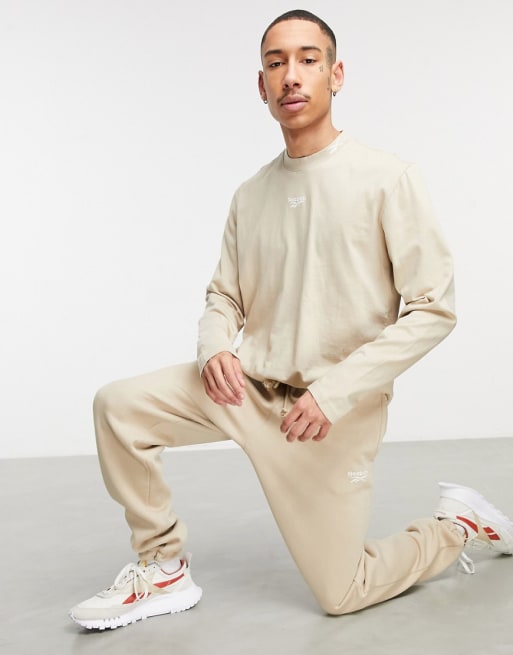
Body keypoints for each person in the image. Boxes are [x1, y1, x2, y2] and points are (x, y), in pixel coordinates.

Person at [69, 9, 513, 630]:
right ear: (262, 85)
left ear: (336, 74)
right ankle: (162, 565)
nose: (291, 76)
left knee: (343, 591)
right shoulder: (250, 195)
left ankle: (457, 527)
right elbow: (224, 295)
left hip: (329, 417)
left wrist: (334, 394)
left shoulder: (388, 179)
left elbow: (433, 309)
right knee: (118, 405)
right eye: (276, 63)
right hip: (246, 391)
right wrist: (214, 347)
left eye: (308, 59)